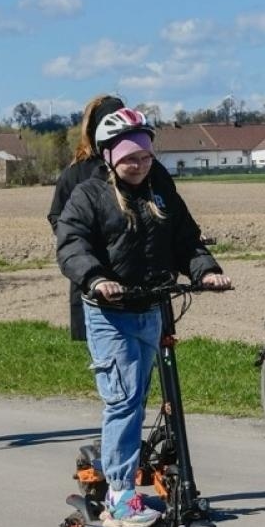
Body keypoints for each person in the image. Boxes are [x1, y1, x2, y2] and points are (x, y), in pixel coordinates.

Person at [55, 108, 232, 527]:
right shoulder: (90, 196)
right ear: (110, 157)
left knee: (153, 399)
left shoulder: (161, 193)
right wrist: (96, 278)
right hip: (109, 314)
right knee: (124, 401)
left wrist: (205, 270)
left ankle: (177, 489)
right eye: (130, 158)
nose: (139, 165)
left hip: (151, 306)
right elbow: (71, 245)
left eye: (146, 157)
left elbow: (186, 240)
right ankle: (119, 496)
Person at [49, 93, 175, 342]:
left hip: (147, 282)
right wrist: (94, 251)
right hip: (101, 282)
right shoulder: (77, 174)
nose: (139, 164)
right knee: (114, 362)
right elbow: (61, 222)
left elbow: (170, 208)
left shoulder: (150, 168)